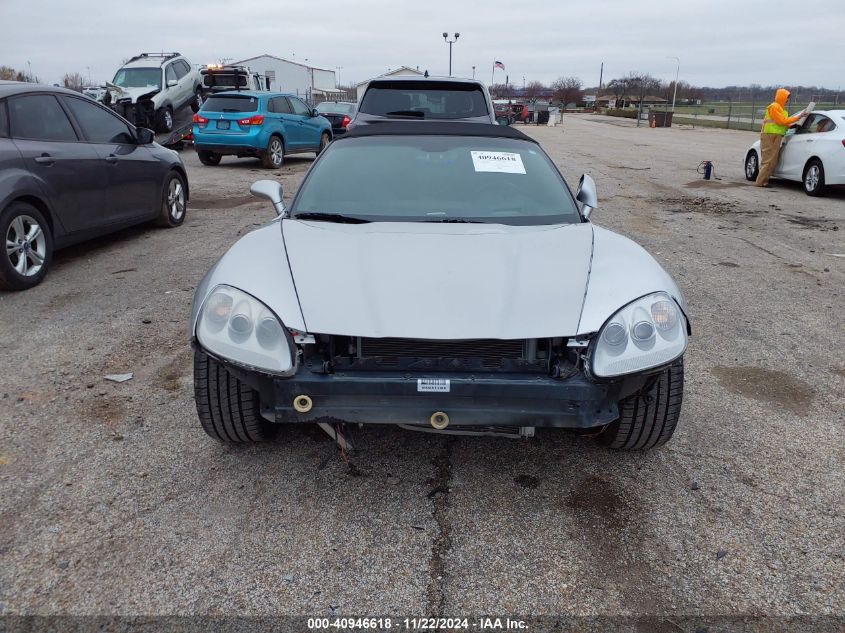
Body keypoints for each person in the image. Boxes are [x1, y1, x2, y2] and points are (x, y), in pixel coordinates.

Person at [755, 88, 807, 187]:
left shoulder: (782, 110)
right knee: (768, 159)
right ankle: (760, 182)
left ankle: (764, 181)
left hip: (776, 136)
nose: (787, 100)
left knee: (772, 160)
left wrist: (795, 125)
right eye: (786, 98)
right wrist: (798, 117)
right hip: (769, 135)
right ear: (782, 97)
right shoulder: (774, 107)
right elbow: (781, 121)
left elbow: (785, 123)